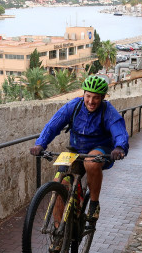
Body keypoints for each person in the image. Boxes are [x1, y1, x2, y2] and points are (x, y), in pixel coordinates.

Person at [29, 75, 129, 228]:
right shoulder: (74, 106)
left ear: (102, 97)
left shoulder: (107, 111)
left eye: (95, 97)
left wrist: (120, 147)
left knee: (91, 162)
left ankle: (94, 204)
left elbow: (119, 131)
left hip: (100, 149)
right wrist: (40, 144)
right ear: (83, 94)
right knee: (59, 182)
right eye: (88, 96)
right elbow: (53, 125)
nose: (91, 101)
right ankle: (59, 232)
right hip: (75, 150)